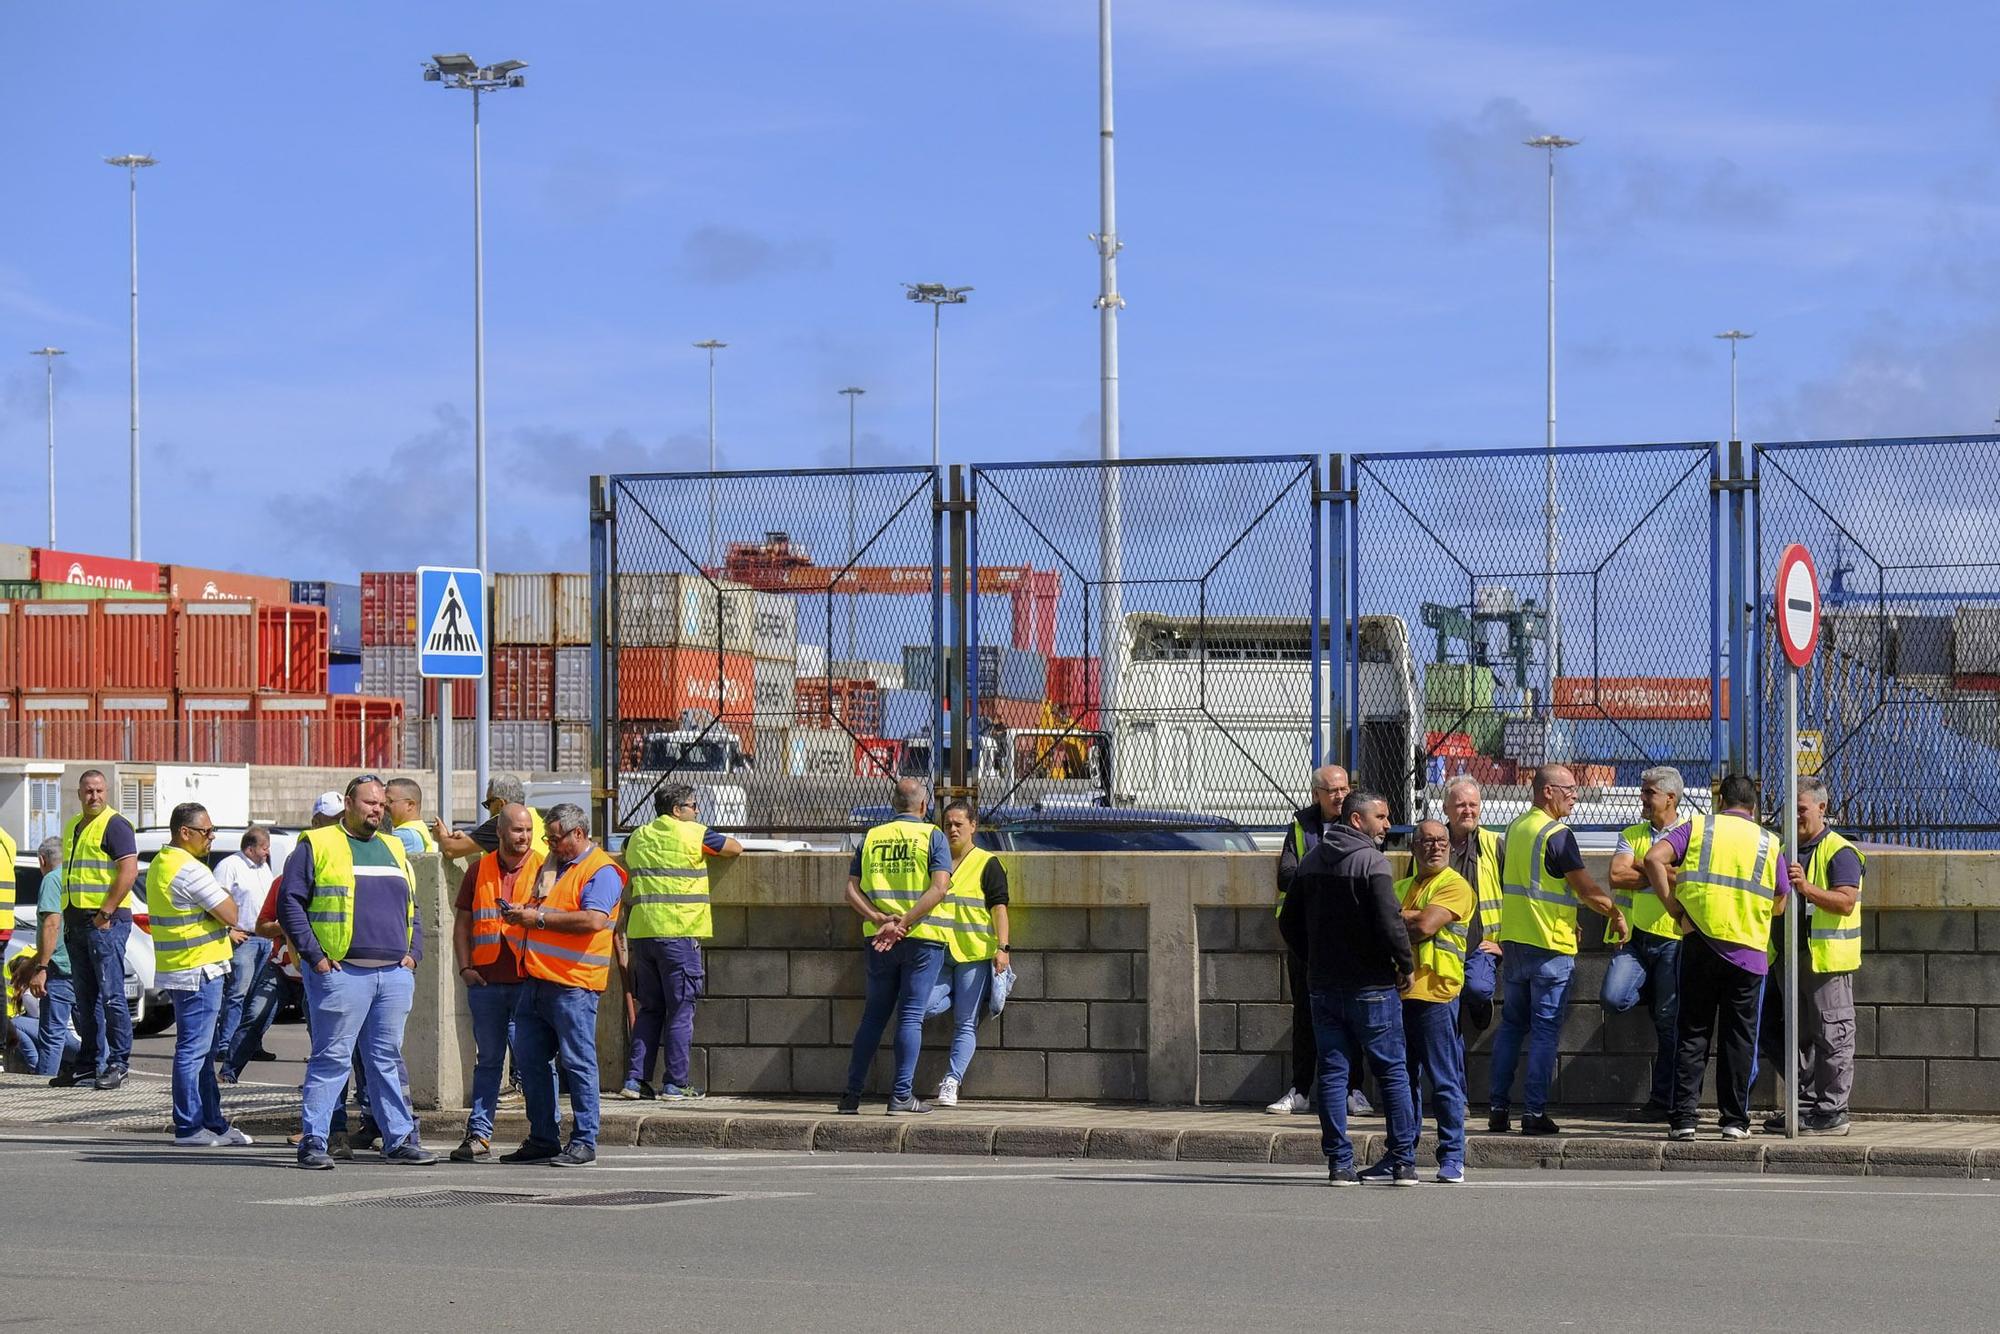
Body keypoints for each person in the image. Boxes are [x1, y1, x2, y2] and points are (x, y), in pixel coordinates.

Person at [278, 776, 436, 1169]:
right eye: (369, 803)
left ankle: (399, 1139)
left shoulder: (393, 846)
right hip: (341, 971)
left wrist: (413, 953)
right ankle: (314, 1140)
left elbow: (412, 908)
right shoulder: (317, 844)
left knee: (385, 1058)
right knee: (332, 1059)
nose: (377, 810)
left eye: (381, 804)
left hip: (393, 973)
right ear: (349, 803)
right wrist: (315, 957)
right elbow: (290, 904)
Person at [1488, 764, 1627, 1136]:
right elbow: (1585, 889)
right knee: (1546, 1031)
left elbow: (1533, 885)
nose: (1575, 795)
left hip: (1516, 941)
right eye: (1569, 789)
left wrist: (1569, 916)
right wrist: (1615, 913)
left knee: (1512, 1027)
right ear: (1547, 791)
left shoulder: (1516, 827)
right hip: (1549, 947)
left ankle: (1498, 1109)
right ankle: (1533, 1113)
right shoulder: (1557, 834)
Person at [1647, 773, 1784, 1142]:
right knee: (1739, 1039)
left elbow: (1653, 858)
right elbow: (1781, 900)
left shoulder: (1698, 826)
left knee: (1693, 1032)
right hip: (1749, 954)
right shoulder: (1769, 842)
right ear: (1754, 808)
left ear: (1720, 801)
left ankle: (1683, 1120)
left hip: (1701, 942)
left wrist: (1674, 907)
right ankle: (1735, 1121)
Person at [1290, 790, 1416, 1185]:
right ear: (1357, 820)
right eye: (1380, 817)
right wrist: (1404, 963)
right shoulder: (1371, 862)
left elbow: (1288, 921)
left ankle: (1339, 1164)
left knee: (1332, 1074)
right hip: (1372, 985)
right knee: (1393, 1072)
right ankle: (1402, 1161)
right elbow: (1390, 921)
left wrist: (1315, 958)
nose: (1387, 825)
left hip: (1324, 986)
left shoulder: (1310, 861)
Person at [499, 803, 626, 1167]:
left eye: (557, 838)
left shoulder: (600, 870)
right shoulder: (554, 865)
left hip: (573, 984)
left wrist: (535, 919)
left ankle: (585, 1140)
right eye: (549, 838)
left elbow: (593, 920)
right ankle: (543, 1137)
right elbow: (548, 908)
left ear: (579, 834)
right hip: (537, 980)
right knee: (532, 1062)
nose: (551, 844)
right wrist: (523, 913)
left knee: (577, 1062)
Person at [837, 778, 954, 1116]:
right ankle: (901, 1096)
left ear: (893, 805)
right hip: (922, 938)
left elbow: (850, 891)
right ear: (923, 805)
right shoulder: (933, 836)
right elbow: (939, 889)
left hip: (878, 939)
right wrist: (904, 924)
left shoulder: (871, 837)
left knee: (873, 1016)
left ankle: (851, 1096)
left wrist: (878, 919)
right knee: (911, 1015)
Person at [618, 784, 741, 1102]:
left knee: (650, 1009)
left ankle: (635, 1080)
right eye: (693, 805)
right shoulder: (694, 834)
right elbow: (734, 848)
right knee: (681, 1010)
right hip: (679, 933)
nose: (697, 810)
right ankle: (675, 1083)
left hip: (643, 934)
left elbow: (624, 853)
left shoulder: (637, 837)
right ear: (676, 810)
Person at [145, 803, 255, 1148]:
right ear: (185, 833)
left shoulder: (163, 863)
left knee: (201, 1051)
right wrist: (222, 909)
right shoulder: (189, 870)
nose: (212, 837)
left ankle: (213, 1123)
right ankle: (190, 1126)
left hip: (186, 967)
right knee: (194, 1051)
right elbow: (231, 912)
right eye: (207, 831)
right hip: (199, 969)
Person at [1763, 776, 1864, 1136]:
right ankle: (1805, 1107)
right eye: (1790, 810)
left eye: (1801, 809)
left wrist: (1806, 887)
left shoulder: (1839, 851)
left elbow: (1845, 902)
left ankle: (1833, 1111)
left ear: (1822, 808)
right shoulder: (1783, 847)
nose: (1795, 816)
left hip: (1824, 961)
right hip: (1787, 958)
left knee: (1832, 1036)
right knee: (1794, 1037)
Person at [449, 803, 543, 1162]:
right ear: (500, 833)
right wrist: (465, 968)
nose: (524, 837)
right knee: (488, 1060)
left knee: (533, 1062)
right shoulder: (479, 870)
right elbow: (463, 924)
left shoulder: (543, 868)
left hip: (527, 981)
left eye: (528, 831)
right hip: (486, 982)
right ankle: (478, 1134)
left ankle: (541, 1134)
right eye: (517, 831)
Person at [1599, 766, 1689, 1120]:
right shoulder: (1633, 832)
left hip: (1673, 939)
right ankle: (1652, 989)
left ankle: (1663, 1099)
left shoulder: (1688, 834)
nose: (1643, 798)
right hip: (1635, 939)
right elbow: (1617, 875)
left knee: (1670, 1023)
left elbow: (1687, 880)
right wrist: (1657, 869)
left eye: (1649, 793)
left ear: (1670, 798)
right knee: (1613, 997)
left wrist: (1647, 865)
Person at [1398, 818, 1475, 1184]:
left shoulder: (1455, 886)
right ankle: (1402, 1156)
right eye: (1427, 841)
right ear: (1414, 847)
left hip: (1436, 994)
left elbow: (1424, 926)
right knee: (1402, 1080)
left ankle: (1452, 1156)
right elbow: (1376, 924)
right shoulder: (1401, 885)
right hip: (1399, 994)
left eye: (1441, 841)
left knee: (1443, 1080)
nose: (1436, 847)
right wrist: (1403, 918)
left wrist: (1398, 918)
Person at [1269, 764, 1348, 1116]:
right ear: (1316, 794)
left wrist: (1312, 873)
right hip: (1305, 935)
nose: (1340, 796)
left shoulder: (1359, 820)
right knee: (1304, 1013)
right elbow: (1286, 875)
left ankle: (1353, 1091)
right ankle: (1300, 1090)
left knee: (1350, 1013)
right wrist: (1324, 874)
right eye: (1332, 791)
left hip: (1346, 935)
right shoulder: (1301, 826)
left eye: (1344, 788)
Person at [61, 769, 140, 1091]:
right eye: (88, 791)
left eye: (99, 791)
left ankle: (118, 1062)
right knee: (85, 998)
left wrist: (106, 911)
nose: (94, 796)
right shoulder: (74, 826)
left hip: (105, 920)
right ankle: (87, 1064)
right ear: (79, 794)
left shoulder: (115, 824)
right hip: (77, 921)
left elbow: (129, 869)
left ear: (106, 792)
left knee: (111, 996)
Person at [934, 800, 1010, 1108]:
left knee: (965, 1023)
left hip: (974, 953)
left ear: (973, 826)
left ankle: (951, 1082)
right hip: (939, 950)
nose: (952, 829)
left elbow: (999, 908)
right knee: (922, 1007)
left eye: (958, 824)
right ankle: (960, 995)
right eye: (948, 824)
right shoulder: (936, 860)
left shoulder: (986, 862)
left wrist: (1002, 948)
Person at [210, 826, 278, 1077]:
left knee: (256, 998)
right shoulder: (230, 866)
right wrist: (228, 930)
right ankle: (225, 1044)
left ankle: (251, 1044)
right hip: (244, 940)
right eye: (264, 848)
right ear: (250, 848)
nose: (267, 852)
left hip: (264, 939)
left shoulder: (263, 868)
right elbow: (215, 900)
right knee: (237, 994)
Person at [10, 838, 79, 1082]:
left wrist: (41, 967)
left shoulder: (51, 879)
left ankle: (41, 1087)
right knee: (91, 1029)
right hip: (80, 965)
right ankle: (98, 1074)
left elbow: (51, 925)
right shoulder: (75, 876)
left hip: (59, 966)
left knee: (52, 1034)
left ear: (42, 860)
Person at [1443, 777, 1503, 1032]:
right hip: (1443, 944)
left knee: (1478, 988)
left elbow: (1517, 894)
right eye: (1460, 805)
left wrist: (1505, 944)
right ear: (1446, 808)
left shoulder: (1493, 844)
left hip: (1482, 943)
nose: (1468, 810)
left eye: (1473, 804)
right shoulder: (1433, 841)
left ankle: (1479, 1003)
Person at [434, 774, 548, 860]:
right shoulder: (535, 817)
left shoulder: (502, 822)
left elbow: (451, 850)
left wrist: (441, 835)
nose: (487, 809)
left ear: (500, 804)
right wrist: (470, 838)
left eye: (488, 803)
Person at [385, 778, 437, 856]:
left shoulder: (406, 835)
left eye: (390, 801)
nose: (384, 805)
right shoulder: (419, 827)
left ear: (410, 805)